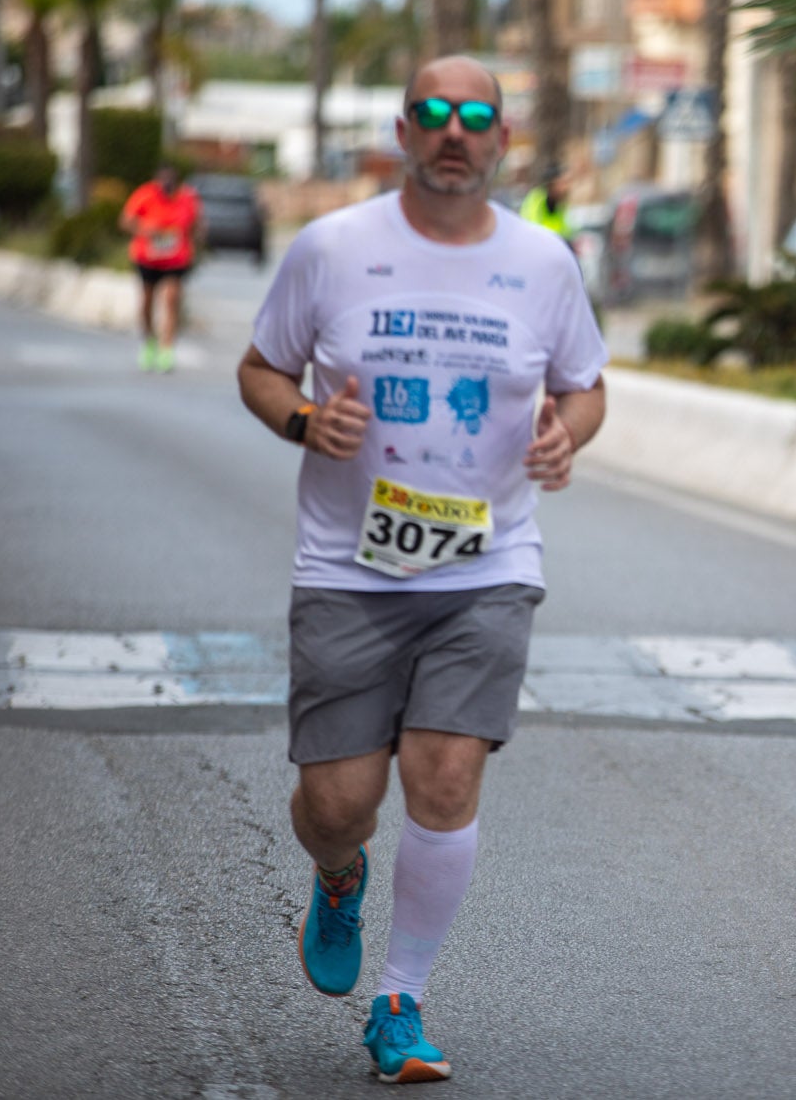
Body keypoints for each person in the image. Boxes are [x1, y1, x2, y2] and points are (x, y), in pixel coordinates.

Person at [237, 55, 608, 1083]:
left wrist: (564, 437)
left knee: (445, 774)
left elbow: (584, 386)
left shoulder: (542, 264)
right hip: (347, 570)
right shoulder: (333, 248)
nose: (455, 131)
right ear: (402, 131)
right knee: (335, 801)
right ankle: (339, 871)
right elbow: (260, 367)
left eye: (475, 115)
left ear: (501, 140)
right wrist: (309, 420)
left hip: (486, 565)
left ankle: (401, 999)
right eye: (434, 114)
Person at [119, 165, 204, 373]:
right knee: (147, 301)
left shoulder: (188, 198)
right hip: (148, 257)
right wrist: (145, 229)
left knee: (172, 299)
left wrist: (195, 245)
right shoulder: (145, 194)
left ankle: (167, 349)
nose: (166, 187)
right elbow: (125, 221)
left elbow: (197, 225)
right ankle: (149, 342)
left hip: (176, 259)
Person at [517, 165, 571, 237]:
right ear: (552, 183)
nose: (566, 187)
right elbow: (533, 227)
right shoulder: (537, 199)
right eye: (563, 183)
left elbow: (564, 230)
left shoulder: (559, 204)